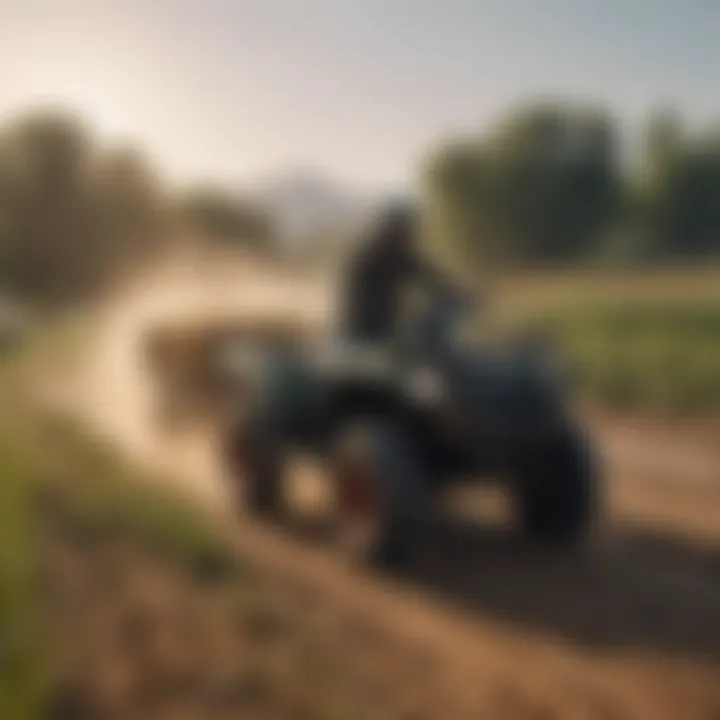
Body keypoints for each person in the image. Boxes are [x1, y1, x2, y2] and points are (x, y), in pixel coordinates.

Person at [339, 202, 458, 346]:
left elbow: (429, 276)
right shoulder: (386, 256)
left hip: (363, 331)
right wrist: (454, 292)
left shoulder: (373, 253)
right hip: (373, 333)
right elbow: (429, 277)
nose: (408, 237)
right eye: (404, 231)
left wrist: (453, 290)